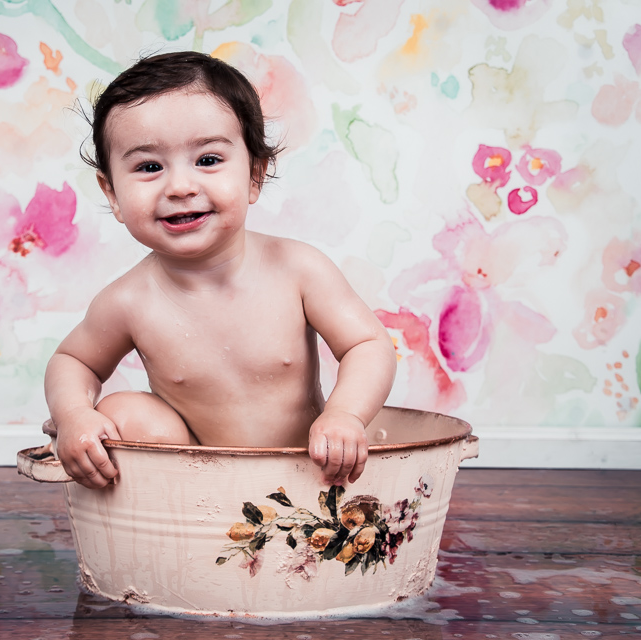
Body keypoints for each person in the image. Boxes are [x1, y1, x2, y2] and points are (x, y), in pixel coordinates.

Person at [44, 51, 396, 490]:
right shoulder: (127, 301)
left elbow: (367, 343)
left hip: (307, 473)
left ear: (254, 175)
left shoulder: (298, 270)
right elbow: (71, 360)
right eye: (149, 167)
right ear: (112, 192)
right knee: (120, 412)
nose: (181, 187)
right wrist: (74, 415)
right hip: (192, 484)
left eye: (208, 160)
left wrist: (345, 414)